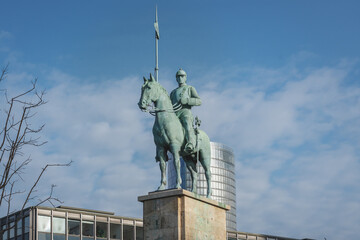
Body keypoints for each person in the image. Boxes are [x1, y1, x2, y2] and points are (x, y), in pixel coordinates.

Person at [170, 69, 201, 154]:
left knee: (187, 122)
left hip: (185, 111)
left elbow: (199, 101)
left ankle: (190, 142)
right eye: (178, 76)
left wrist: (187, 100)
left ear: (185, 77)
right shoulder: (173, 92)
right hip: (175, 113)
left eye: (182, 76)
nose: (180, 78)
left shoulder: (189, 88)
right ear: (176, 78)